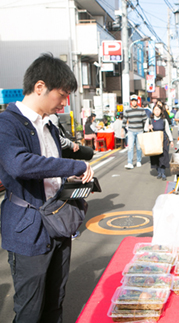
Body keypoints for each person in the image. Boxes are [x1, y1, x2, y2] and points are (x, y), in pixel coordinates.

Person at [0, 53, 94, 323]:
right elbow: (19, 164)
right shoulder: (7, 123)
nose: (64, 103)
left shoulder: (51, 127)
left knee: (55, 301)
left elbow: (51, 170)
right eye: (62, 95)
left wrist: (70, 181)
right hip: (27, 229)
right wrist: (72, 168)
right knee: (30, 310)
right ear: (40, 87)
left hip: (58, 224)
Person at [144, 102, 174, 180]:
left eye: (158, 110)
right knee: (155, 156)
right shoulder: (149, 120)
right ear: (153, 111)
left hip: (162, 140)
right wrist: (148, 127)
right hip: (153, 140)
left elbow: (167, 130)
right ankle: (159, 171)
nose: (157, 111)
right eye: (155, 110)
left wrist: (171, 140)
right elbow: (145, 129)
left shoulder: (164, 120)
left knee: (163, 156)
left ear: (161, 111)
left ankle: (163, 172)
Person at [123, 94, 147, 169]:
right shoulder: (127, 110)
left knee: (139, 147)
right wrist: (122, 129)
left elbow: (145, 120)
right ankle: (130, 162)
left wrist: (147, 128)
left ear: (137, 101)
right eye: (132, 101)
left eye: (135, 101)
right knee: (130, 147)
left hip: (140, 130)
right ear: (130, 102)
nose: (133, 102)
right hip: (131, 131)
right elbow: (124, 120)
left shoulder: (141, 110)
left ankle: (138, 161)